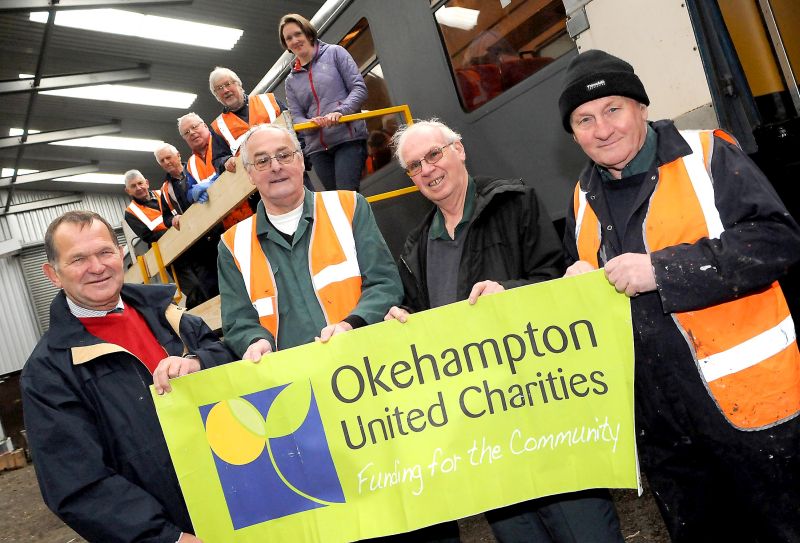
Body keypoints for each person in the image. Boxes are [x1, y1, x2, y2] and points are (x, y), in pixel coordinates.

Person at [559, 49, 800, 542]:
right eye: (584, 120)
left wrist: (663, 270)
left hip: (752, 414)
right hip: (666, 436)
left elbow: (777, 239)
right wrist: (572, 286)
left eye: (613, 110)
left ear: (641, 108)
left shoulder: (708, 154)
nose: (602, 129)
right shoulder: (581, 199)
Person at [384, 119, 624, 543]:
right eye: (414, 166)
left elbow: (556, 279)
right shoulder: (418, 245)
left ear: (459, 150)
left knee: (585, 531)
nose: (426, 170)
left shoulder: (514, 202)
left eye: (434, 155)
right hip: (482, 435)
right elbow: (423, 319)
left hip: (545, 416)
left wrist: (509, 292)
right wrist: (402, 321)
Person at [20, 210, 237, 543]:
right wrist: (169, 538)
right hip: (177, 530)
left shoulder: (170, 316)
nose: (97, 267)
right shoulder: (50, 372)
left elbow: (229, 360)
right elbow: (77, 485)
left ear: (120, 253)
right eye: (78, 259)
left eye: (104, 252)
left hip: (244, 500)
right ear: (53, 274)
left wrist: (199, 362)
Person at [217, 123, 401, 360]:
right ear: (250, 175)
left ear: (301, 161)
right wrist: (255, 341)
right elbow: (238, 320)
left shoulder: (350, 207)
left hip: (367, 363)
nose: (276, 166)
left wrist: (350, 324)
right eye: (262, 161)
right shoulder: (232, 245)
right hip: (297, 385)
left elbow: (384, 283)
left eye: (284, 155)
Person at [280, 13, 369, 191]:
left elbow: (359, 89)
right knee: (335, 203)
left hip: (347, 139)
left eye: (298, 34)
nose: (295, 40)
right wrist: (310, 123)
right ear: (286, 45)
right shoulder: (291, 81)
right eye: (288, 38)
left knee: (346, 196)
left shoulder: (335, 53)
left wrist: (340, 112)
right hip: (318, 150)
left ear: (309, 33)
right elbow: (296, 117)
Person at [154, 142, 220, 309]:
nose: (166, 162)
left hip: (217, 229)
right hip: (196, 243)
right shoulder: (165, 189)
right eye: (162, 161)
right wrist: (173, 220)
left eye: (168, 157)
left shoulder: (195, 169)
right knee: (209, 283)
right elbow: (166, 218)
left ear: (178, 155)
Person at [178, 112, 252, 230]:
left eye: (194, 127)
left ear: (205, 126)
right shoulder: (190, 165)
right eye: (186, 133)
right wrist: (193, 194)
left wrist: (213, 182)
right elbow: (189, 192)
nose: (192, 133)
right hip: (224, 222)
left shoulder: (223, 139)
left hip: (250, 204)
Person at [208, 67, 287, 175]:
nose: (225, 90)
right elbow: (218, 160)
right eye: (219, 88)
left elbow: (293, 126)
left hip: (288, 164)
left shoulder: (269, 101)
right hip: (256, 181)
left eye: (228, 84)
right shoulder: (218, 127)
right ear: (217, 96)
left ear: (239, 85)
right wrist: (226, 161)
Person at [123, 169, 167, 247]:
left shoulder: (163, 193)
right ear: (128, 191)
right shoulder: (130, 212)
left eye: (140, 183)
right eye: (133, 186)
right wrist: (171, 230)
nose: (138, 188)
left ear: (147, 183)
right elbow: (148, 237)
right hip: (164, 248)